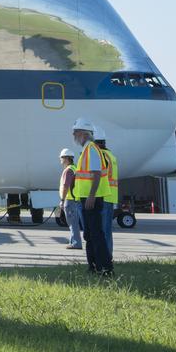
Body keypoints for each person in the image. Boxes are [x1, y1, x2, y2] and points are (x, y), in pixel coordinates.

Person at [72, 117, 113, 276]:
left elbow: (96, 175)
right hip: (86, 198)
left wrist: (91, 196)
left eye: (75, 132)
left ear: (83, 133)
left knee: (96, 234)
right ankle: (94, 265)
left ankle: (105, 268)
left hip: (92, 199)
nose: (74, 136)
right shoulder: (87, 150)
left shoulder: (92, 150)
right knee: (89, 234)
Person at [95, 126, 118, 258]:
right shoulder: (111, 155)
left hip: (102, 196)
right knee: (107, 230)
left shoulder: (101, 155)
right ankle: (108, 255)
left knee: (101, 230)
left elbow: (97, 176)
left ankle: (104, 257)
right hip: (110, 197)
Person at [58, 147, 83, 250]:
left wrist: (62, 200)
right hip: (74, 199)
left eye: (61, 158)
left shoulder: (68, 170)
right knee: (73, 222)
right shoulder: (74, 168)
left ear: (66, 158)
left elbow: (65, 186)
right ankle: (73, 241)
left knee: (72, 223)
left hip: (69, 200)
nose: (60, 160)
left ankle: (76, 243)